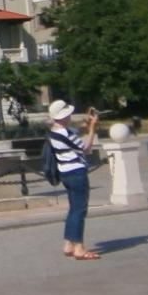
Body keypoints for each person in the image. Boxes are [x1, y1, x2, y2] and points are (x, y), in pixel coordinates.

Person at [48, 100, 100, 259]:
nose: (70, 115)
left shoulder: (54, 131)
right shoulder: (66, 133)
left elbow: (72, 135)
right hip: (77, 172)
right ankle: (79, 248)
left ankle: (68, 244)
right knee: (79, 210)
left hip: (65, 173)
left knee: (73, 209)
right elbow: (87, 148)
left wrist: (84, 126)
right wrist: (92, 128)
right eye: (68, 113)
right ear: (63, 116)